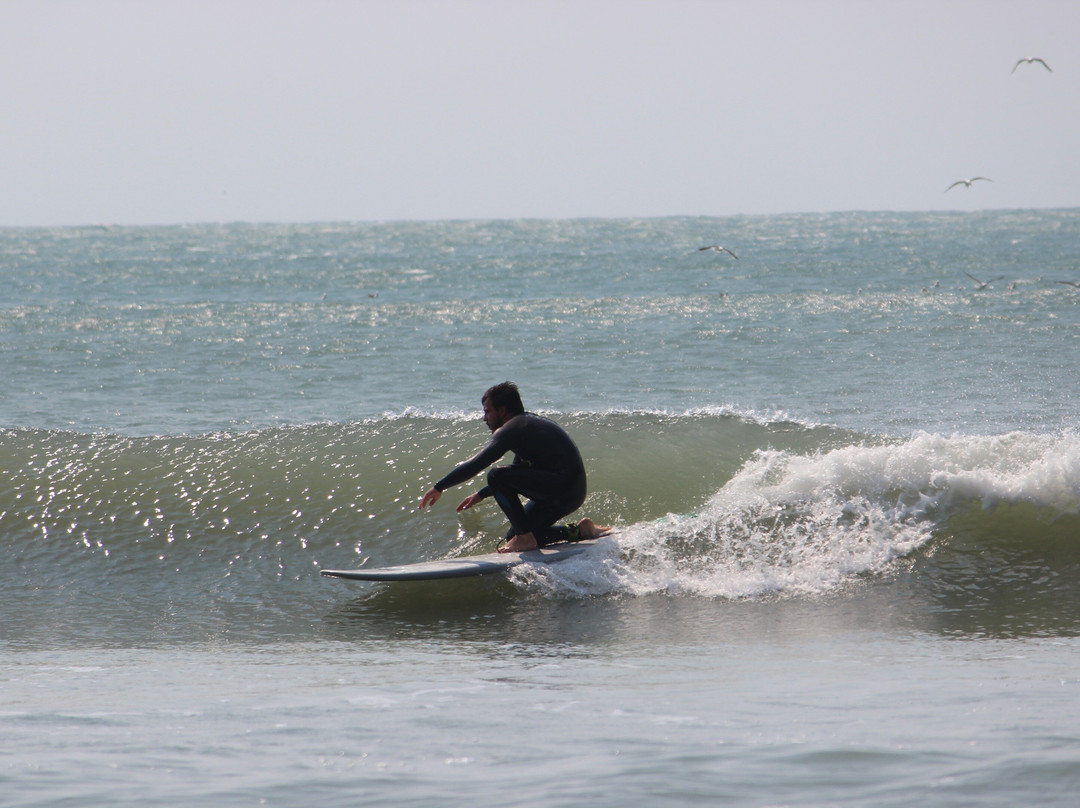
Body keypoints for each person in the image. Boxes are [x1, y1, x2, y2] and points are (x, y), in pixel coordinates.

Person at [419, 382, 608, 553]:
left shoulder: (511, 429)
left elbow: (478, 464)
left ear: (501, 411)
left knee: (495, 475)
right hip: (568, 491)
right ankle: (581, 531)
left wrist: (439, 486)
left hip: (562, 489)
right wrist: (481, 494)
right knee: (513, 537)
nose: (484, 418)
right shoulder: (525, 427)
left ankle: (525, 539)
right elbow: (518, 469)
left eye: (487, 411)